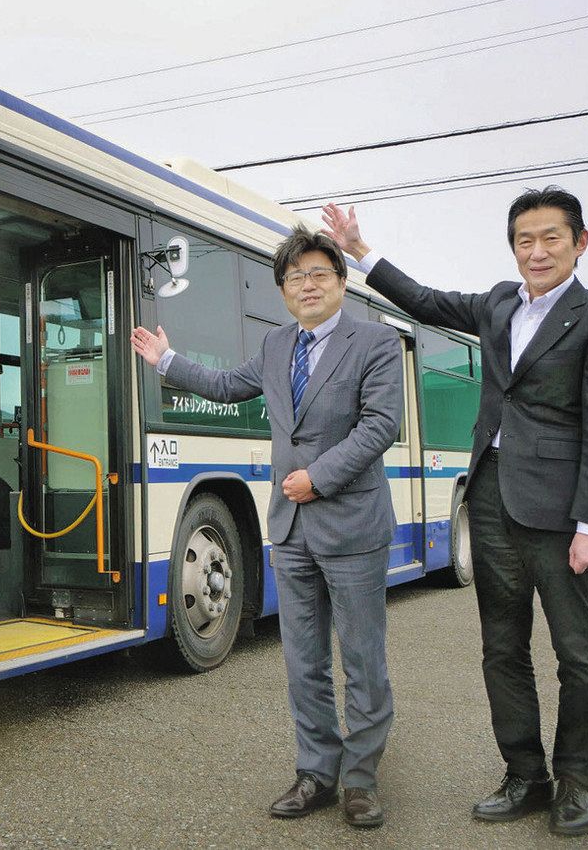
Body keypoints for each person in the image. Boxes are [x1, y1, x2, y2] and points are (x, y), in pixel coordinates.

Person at [321, 187, 588, 837]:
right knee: (501, 646)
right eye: (525, 239)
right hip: (489, 498)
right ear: (513, 245)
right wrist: (360, 252)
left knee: (578, 653)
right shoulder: (497, 302)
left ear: (579, 242)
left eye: (551, 237)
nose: (537, 250)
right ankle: (524, 774)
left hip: (560, 512)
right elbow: (428, 300)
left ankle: (576, 779)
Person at [131, 227, 402, 829]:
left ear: (341, 281)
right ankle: (316, 772)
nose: (308, 284)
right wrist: (167, 361)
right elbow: (229, 387)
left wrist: (317, 477)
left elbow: (381, 425)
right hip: (292, 529)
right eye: (296, 276)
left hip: (353, 523)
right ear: (283, 290)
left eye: (320, 273)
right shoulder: (278, 346)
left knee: (361, 658)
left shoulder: (375, 343)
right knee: (302, 659)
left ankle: (360, 779)